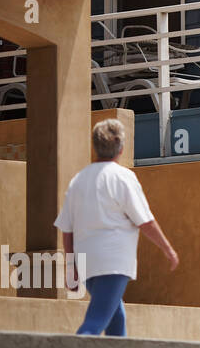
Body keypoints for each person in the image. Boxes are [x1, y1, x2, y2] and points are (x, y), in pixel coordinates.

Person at [55, 118, 179, 336]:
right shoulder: (123, 178)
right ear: (121, 148)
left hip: (87, 265)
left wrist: (72, 267)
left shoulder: (78, 180)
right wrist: (168, 249)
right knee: (94, 322)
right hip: (114, 262)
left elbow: (67, 230)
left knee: (115, 318)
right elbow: (145, 222)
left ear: (94, 146)